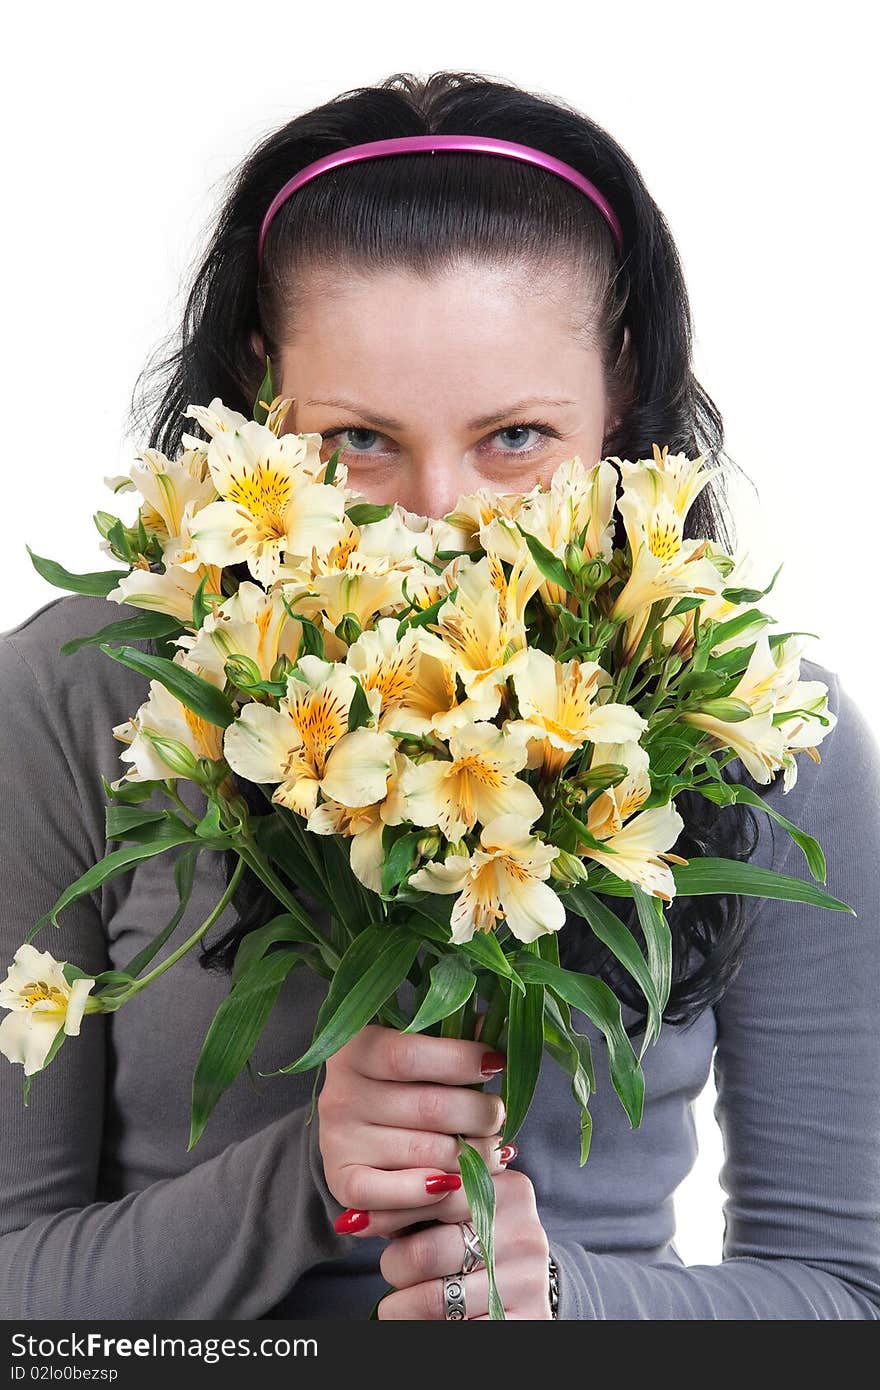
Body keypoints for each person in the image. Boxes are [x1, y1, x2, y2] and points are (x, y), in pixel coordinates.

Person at [1, 69, 878, 1322]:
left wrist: (564, 1303)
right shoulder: (74, 700)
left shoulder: (775, 727)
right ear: (261, 396)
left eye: (515, 438)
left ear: (618, 389)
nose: (438, 525)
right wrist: (302, 1180)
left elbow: (845, 1303)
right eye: (358, 442)